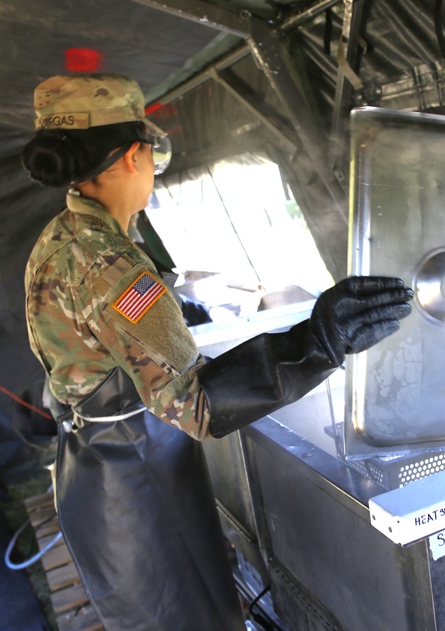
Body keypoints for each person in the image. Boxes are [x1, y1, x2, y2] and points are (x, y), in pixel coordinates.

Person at [21, 73, 412, 630]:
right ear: (134, 156)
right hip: (135, 486)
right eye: (152, 156)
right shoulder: (111, 264)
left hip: (94, 467)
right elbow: (195, 404)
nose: (157, 168)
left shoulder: (61, 237)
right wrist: (319, 340)